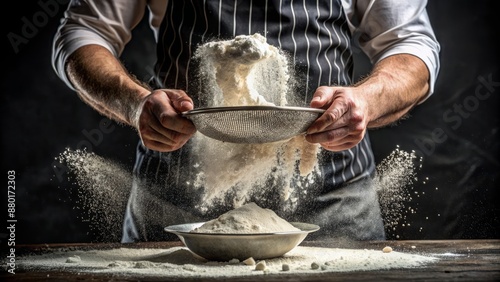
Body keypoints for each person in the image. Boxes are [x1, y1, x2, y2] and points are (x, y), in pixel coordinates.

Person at [52, 0, 440, 243]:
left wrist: (366, 101)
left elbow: (410, 44)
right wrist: (136, 105)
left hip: (332, 202)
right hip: (178, 206)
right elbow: (85, 30)